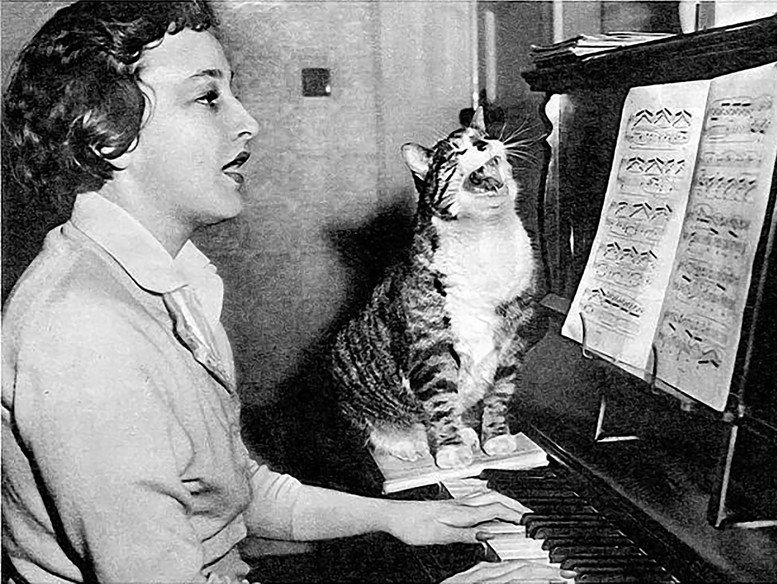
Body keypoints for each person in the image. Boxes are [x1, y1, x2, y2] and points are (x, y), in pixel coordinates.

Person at [1, 2, 574, 583]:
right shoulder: (85, 331)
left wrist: (406, 518)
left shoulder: (164, 281)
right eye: (208, 97)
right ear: (107, 136)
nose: (248, 122)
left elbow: (231, 495)